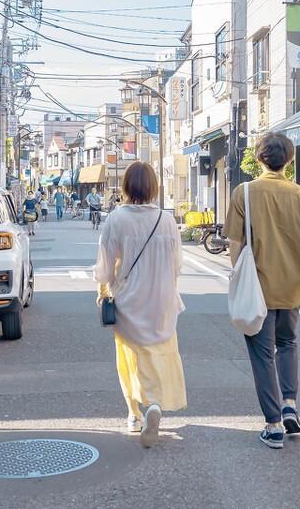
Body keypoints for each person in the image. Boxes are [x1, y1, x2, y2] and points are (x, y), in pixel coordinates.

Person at [225, 132, 300, 450]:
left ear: (260, 158)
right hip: (292, 287)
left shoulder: (244, 193)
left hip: (257, 289)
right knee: (288, 343)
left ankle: (273, 423)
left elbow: (234, 245)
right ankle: (289, 403)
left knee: (262, 354)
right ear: (289, 159)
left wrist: (238, 280)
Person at [93, 161, 186, 448]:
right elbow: (177, 265)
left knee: (129, 357)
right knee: (160, 353)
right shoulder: (167, 220)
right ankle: (155, 404)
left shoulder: (117, 219)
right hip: (161, 299)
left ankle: (134, 413)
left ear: (126, 186)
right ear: (154, 187)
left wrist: (103, 291)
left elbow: (105, 267)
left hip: (128, 299)